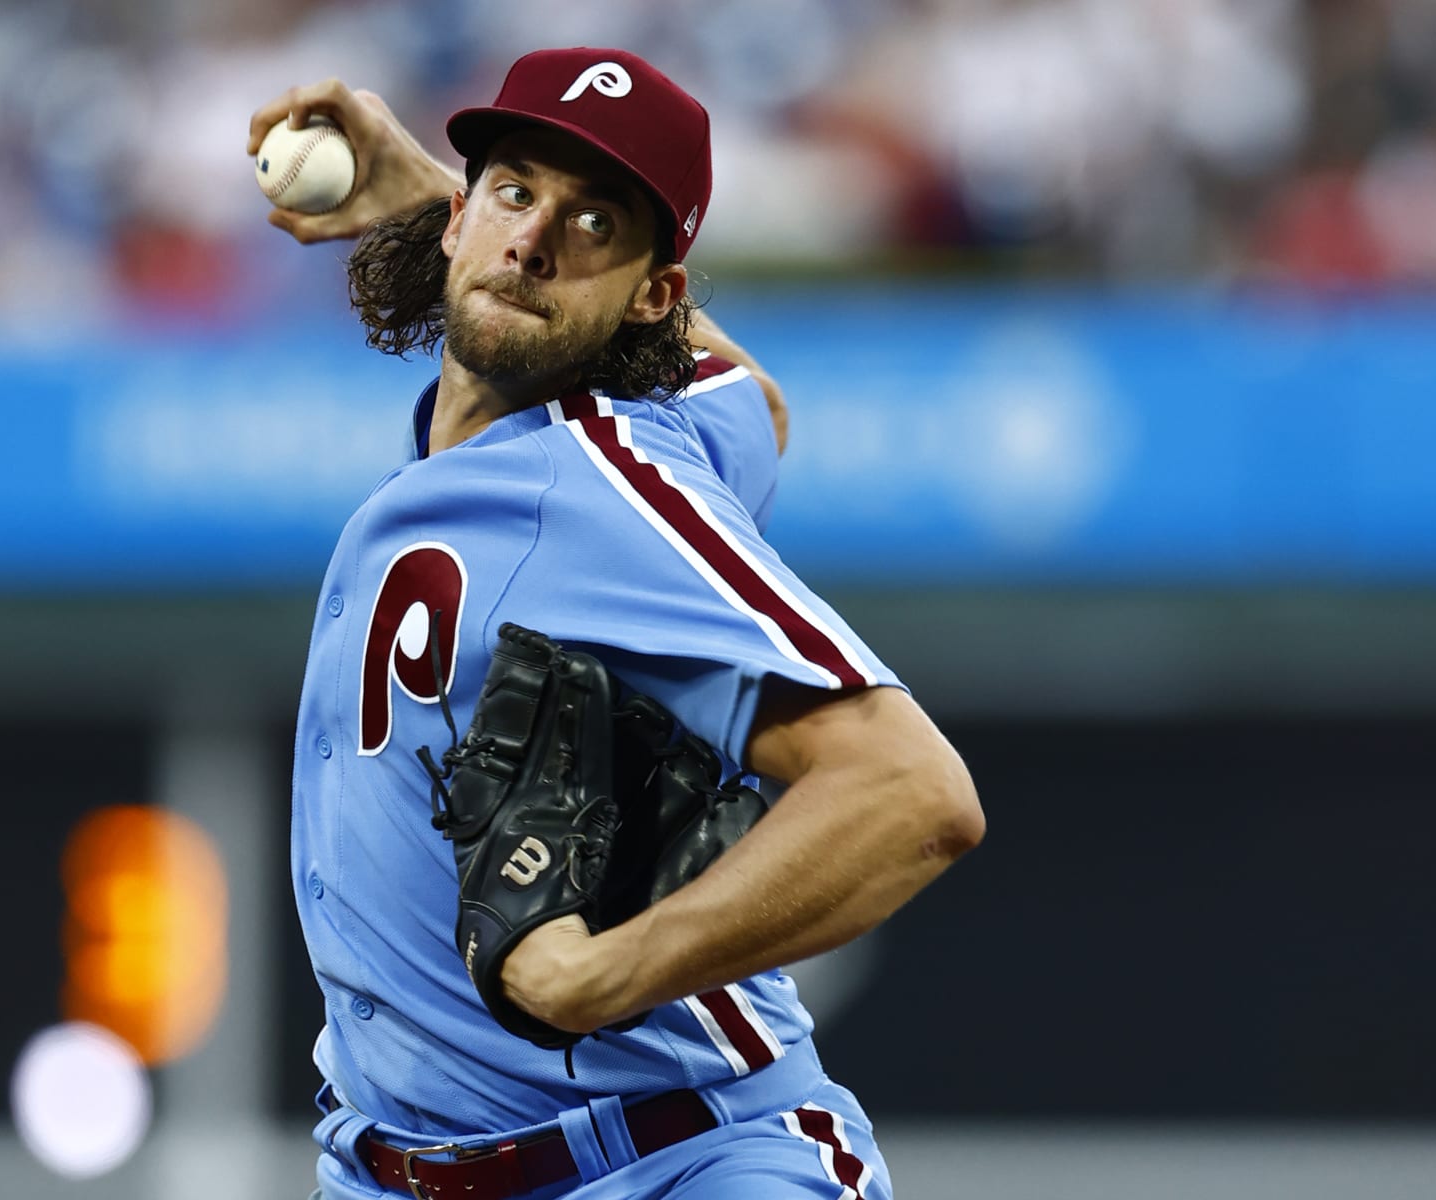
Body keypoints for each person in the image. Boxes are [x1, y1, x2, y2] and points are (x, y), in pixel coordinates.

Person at [249, 47, 984, 1200]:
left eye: (594, 221)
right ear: (457, 218)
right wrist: (421, 194)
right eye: (513, 191)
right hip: (397, 1173)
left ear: (653, 293)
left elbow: (912, 792)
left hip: (672, 1160)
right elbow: (759, 402)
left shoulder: (601, 488)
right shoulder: (682, 426)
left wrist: (603, 976)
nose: (534, 239)